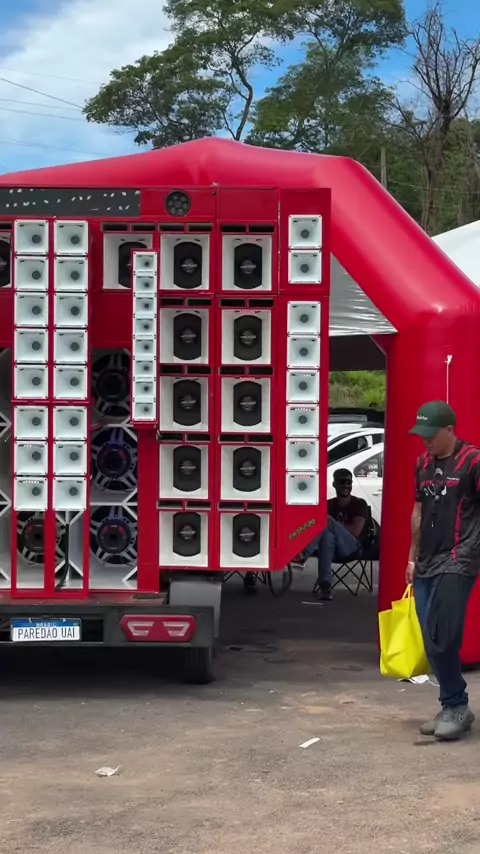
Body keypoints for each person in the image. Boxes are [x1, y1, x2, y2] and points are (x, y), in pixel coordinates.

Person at [408, 400, 480, 741]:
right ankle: (453, 703)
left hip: (460, 557)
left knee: (442, 634)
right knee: (429, 638)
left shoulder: (473, 461)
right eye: (421, 434)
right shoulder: (422, 463)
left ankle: (455, 705)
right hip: (426, 559)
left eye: (431, 434)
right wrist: (411, 558)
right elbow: (418, 511)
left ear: (449, 430)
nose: (425, 440)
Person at [293, 468, 368, 600]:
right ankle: (325, 587)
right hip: (331, 548)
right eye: (342, 482)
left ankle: (303, 554)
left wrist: (333, 525)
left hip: (352, 548)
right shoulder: (328, 504)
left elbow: (355, 531)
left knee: (325, 521)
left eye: (349, 482)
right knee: (327, 537)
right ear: (334, 484)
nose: (346, 485)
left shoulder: (359, 504)